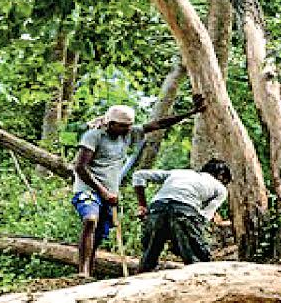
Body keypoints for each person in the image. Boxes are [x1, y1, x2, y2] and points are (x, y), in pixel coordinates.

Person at [72, 96, 206, 277]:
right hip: (88, 189)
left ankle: (89, 268)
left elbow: (158, 124)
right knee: (90, 220)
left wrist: (191, 112)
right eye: (123, 126)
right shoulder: (93, 136)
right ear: (111, 123)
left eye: (129, 126)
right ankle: (83, 271)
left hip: (110, 193)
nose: (128, 129)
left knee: (100, 233)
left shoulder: (127, 134)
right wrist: (102, 191)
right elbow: (80, 167)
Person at [132, 159, 232, 273]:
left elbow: (139, 175)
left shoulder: (179, 172)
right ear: (221, 176)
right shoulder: (220, 188)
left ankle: (141, 280)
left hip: (157, 209)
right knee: (198, 260)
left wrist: (142, 206)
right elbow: (204, 217)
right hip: (184, 212)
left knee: (149, 256)